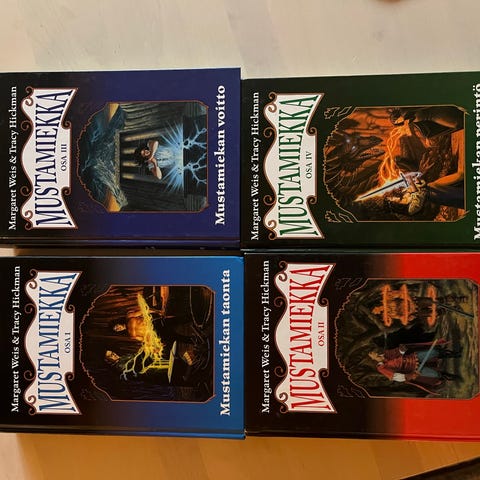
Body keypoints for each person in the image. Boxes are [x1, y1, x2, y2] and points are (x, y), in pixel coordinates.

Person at [368, 341, 461, 392]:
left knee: (434, 352)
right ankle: (451, 377)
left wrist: (401, 349)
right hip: (413, 369)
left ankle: (455, 354)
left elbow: (397, 352)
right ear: (373, 359)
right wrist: (410, 375)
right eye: (373, 354)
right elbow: (394, 376)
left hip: (413, 357)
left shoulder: (385, 354)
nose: (375, 353)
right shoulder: (381, 368)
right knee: (435, 374)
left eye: (374, 352)